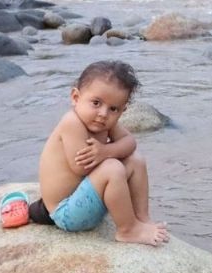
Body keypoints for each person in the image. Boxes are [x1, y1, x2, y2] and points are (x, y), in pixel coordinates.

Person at [37, 60, 169, 246]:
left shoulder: (106, 123)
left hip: (87, 201)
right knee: (112, 167)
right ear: (75, 97)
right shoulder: (71, 123)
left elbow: (130, 142)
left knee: (136, 160)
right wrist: (106, 156)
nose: (103, 114)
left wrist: (106, 150)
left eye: (113, 109)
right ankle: (127, 230)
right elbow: (81, 167)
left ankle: (142, 218)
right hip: (66, 212)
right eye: (96, 103)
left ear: (123, 110)